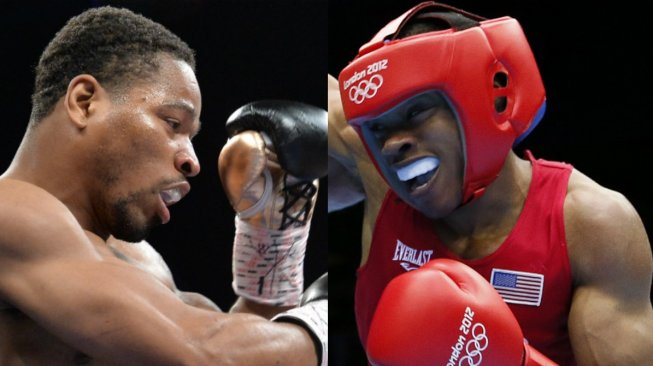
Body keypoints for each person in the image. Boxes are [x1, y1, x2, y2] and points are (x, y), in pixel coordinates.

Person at [328, 1, 653, 365]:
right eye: (377, 127)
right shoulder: (378, 175)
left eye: (416, 110)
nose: (392, 143)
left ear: (486, 97)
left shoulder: (590, 225)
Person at [0, 6, 328, 365]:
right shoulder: (9, 211)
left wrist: (270, 240)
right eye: (173, 123)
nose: (192, 161)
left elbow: (236, 348)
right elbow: (205, 351)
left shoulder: (141, 263)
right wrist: (325, 319)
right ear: (85, 102)